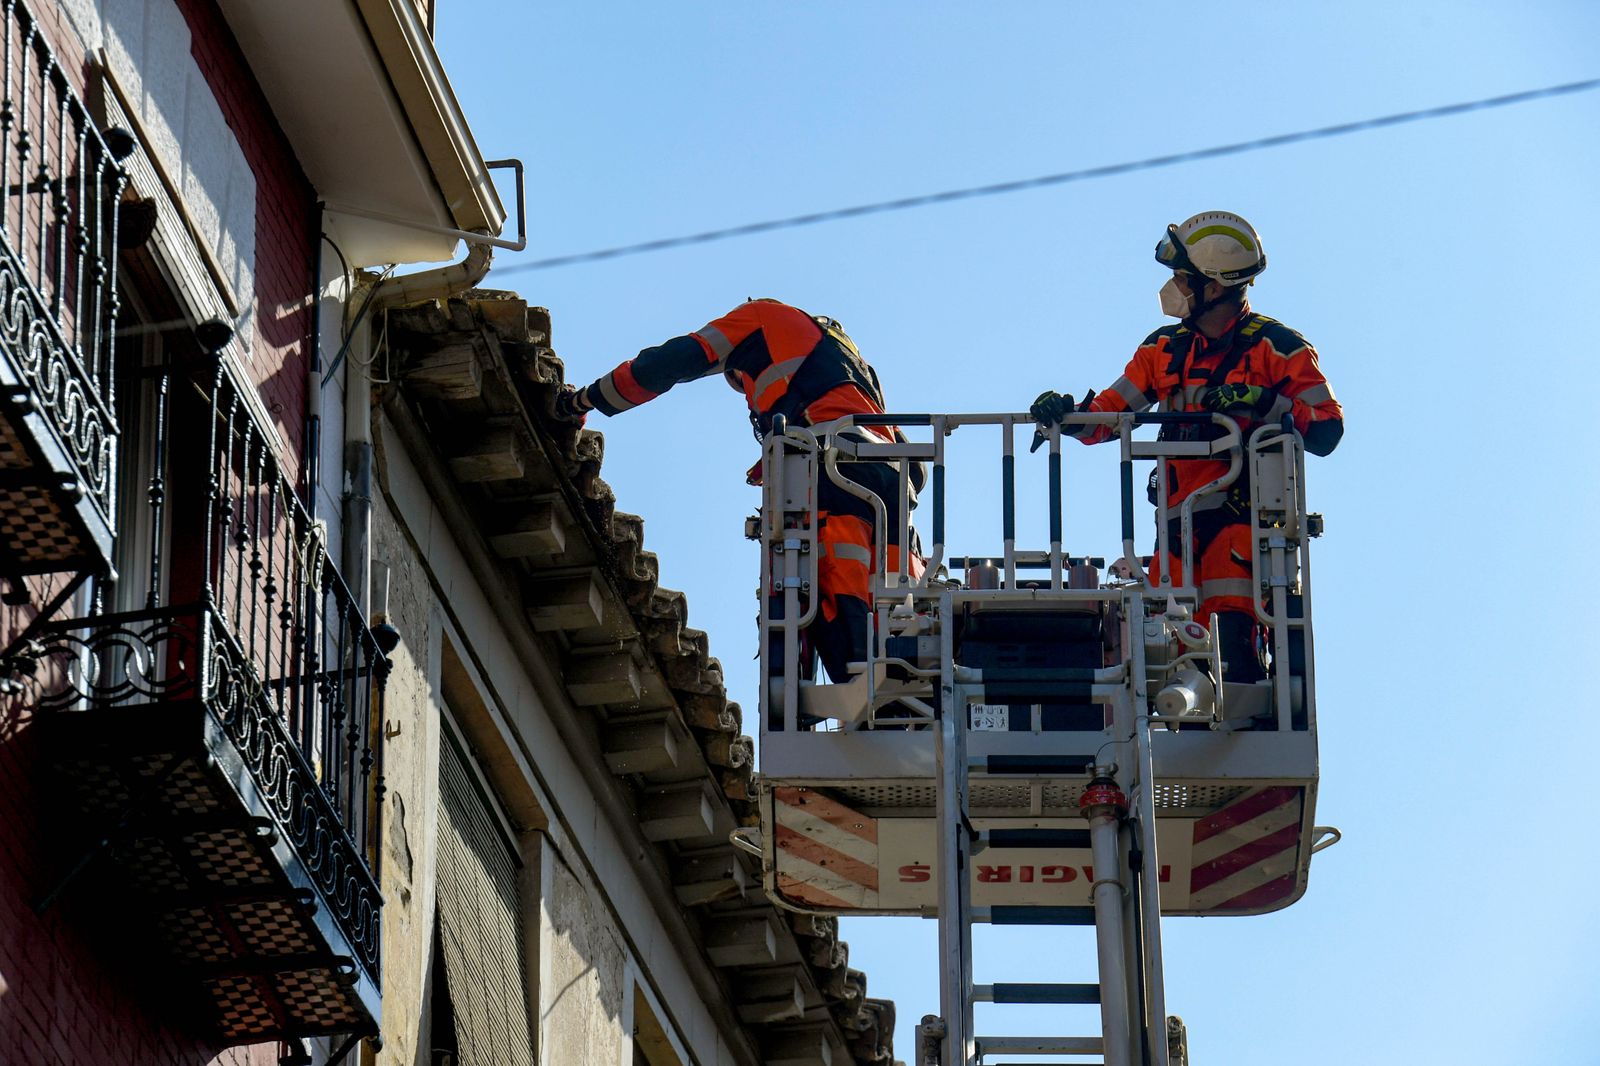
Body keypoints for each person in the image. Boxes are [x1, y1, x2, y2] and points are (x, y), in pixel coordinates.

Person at [1030, 211, 1343, 681]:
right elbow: (1109, 418)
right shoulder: (1163, 350)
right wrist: (1067, 414)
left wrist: (1264, 401)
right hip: (1176, 530)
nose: (1173, 286)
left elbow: (1327, 429)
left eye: (1182, 277)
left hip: (1240, 526)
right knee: (1172, 659)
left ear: (1213, 288)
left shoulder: (1278, 348)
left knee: (1233, 656)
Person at [554, 299, 919, 692]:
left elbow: (672, 360)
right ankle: (905, 685)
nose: (743, 387)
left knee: (840, 608)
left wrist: (583, 400)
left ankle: (868, 684)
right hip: (893, 484)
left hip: (835, 468)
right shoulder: (847, 358)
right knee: (896, 608)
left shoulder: (762, 318)